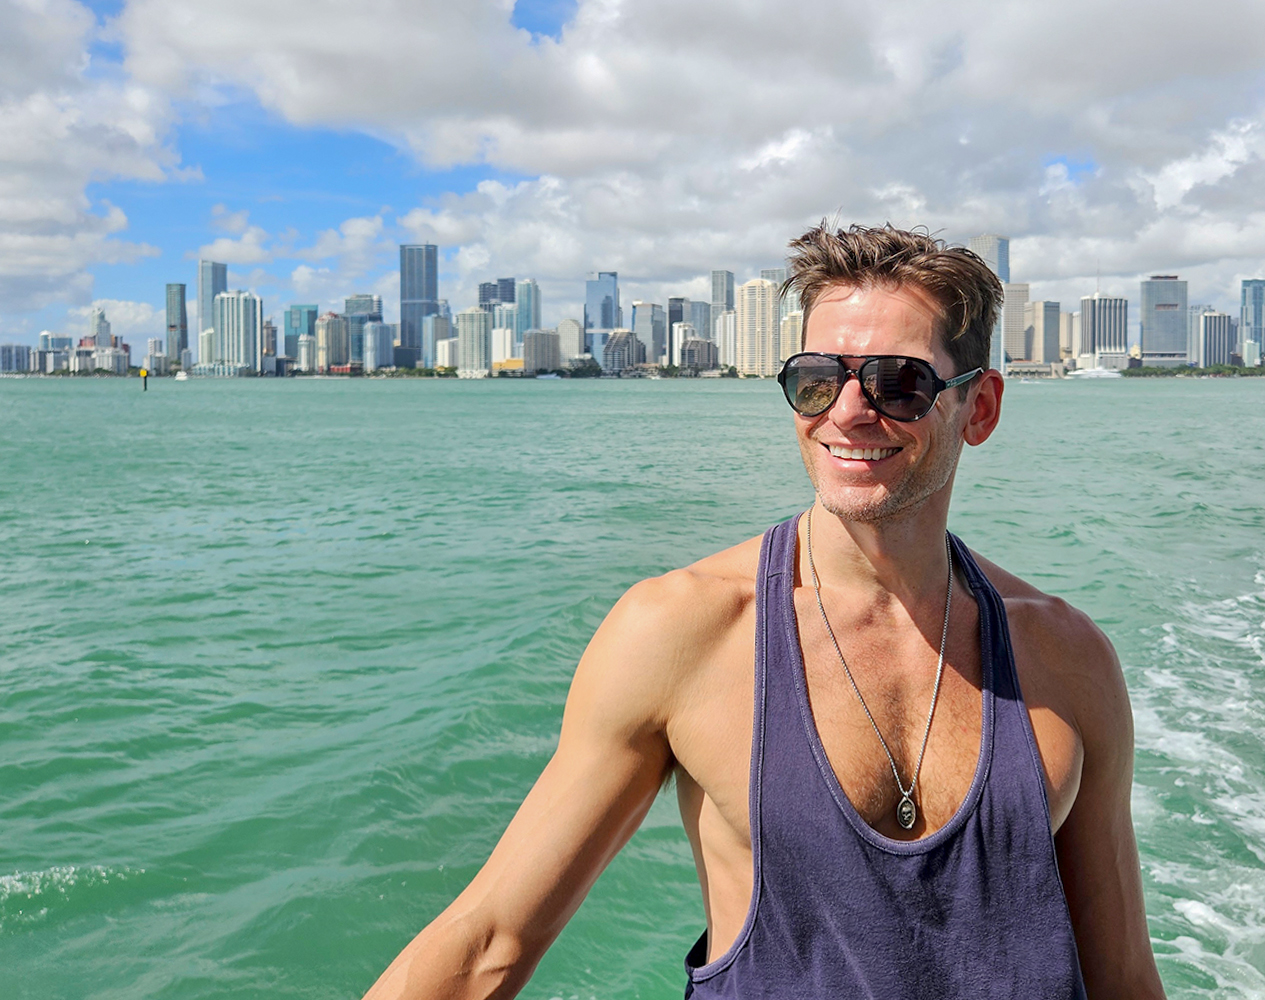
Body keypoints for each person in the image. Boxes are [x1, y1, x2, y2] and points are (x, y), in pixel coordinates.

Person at [363, 224, 1166, 999]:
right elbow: (489, 942)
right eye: (817, 379)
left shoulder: (1068, 659)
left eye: (899, 382)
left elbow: (1124, 979)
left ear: (979, 408)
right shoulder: (682, 631)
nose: (847, 412)